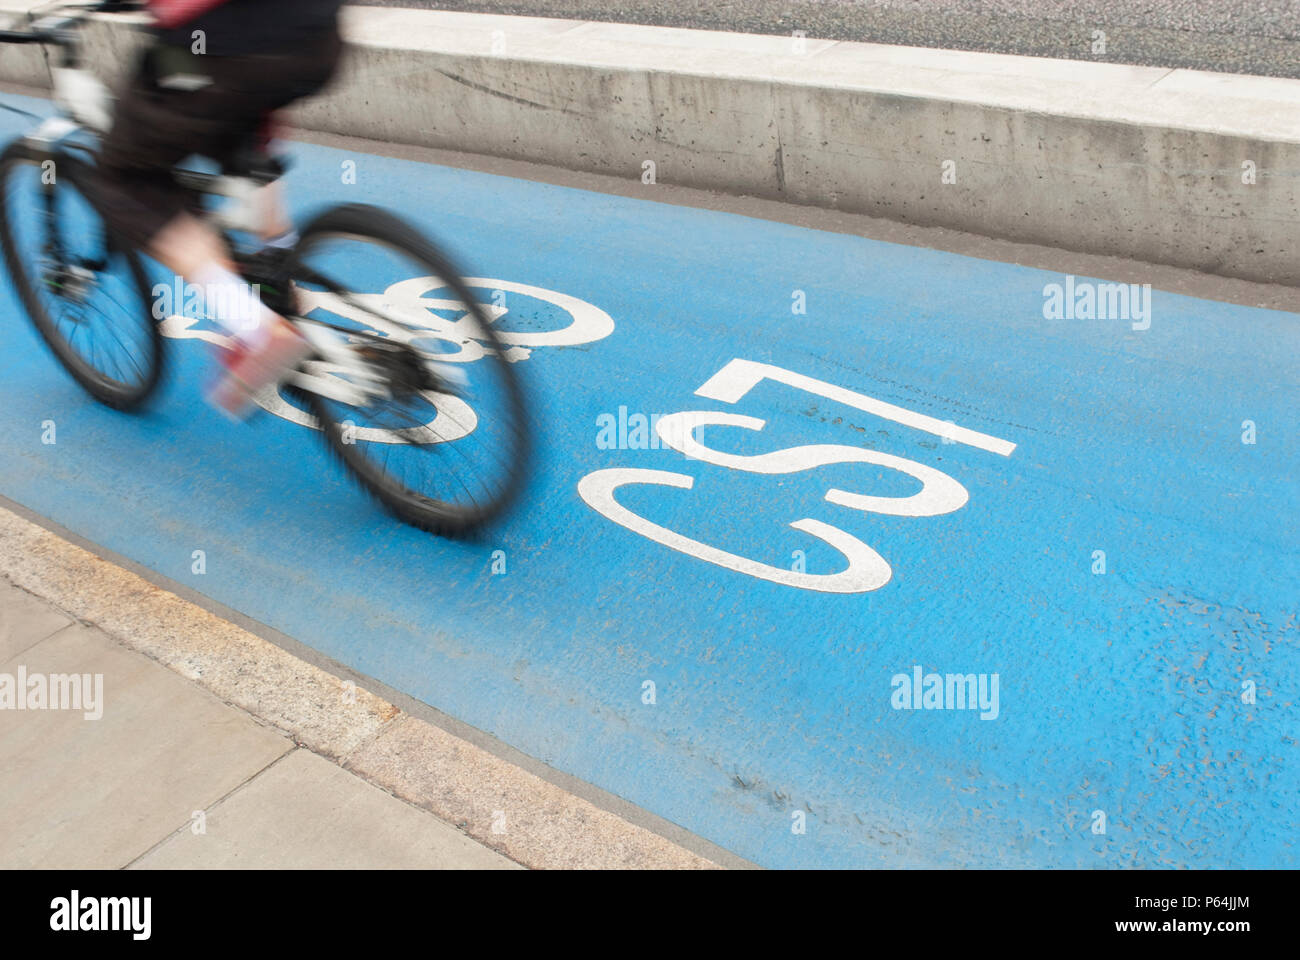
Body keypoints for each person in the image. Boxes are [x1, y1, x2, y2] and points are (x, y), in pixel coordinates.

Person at [97, 0, 347, 416]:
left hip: (218, 44)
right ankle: (280, 259)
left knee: (127, 177)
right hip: (319, 37)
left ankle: (255, 328)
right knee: (242, 113)